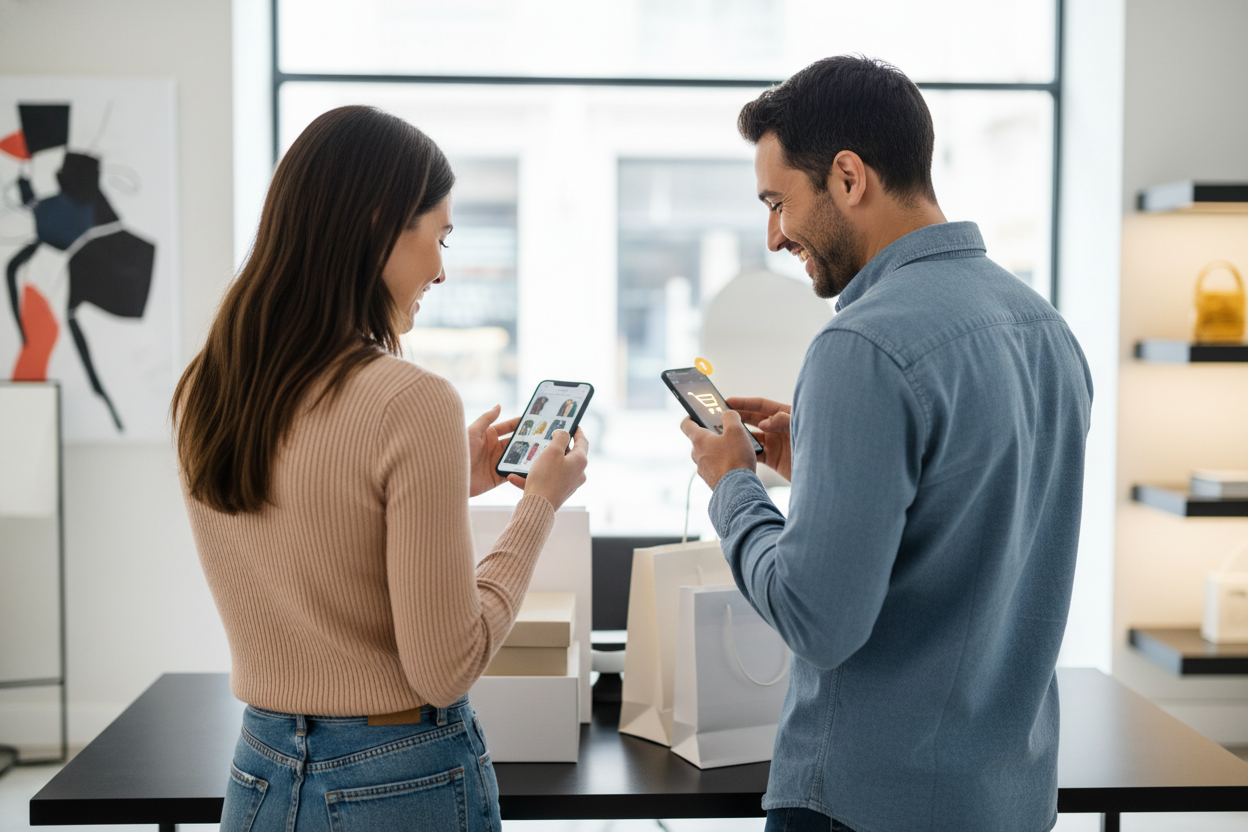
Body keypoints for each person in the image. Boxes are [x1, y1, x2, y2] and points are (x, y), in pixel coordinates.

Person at [679, 57, 1092, 832]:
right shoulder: (1047, 331)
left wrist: (734, 482)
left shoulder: (861, 348)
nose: (773, 236)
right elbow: (973, 529)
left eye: (778, 202)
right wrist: (823, 469)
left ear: (846, 177)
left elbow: (817, 620)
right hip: (1008, 801)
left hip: (865, 806)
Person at [172, 105, 588, 832]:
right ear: (376, 224)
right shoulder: (412, 401)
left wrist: (437, 482)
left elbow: (298, 520)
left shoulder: (207, 387)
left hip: (258, 776)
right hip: (397, 783)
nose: (442, 268)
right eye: (440, 236)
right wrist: (538, 507)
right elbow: (446, 665)